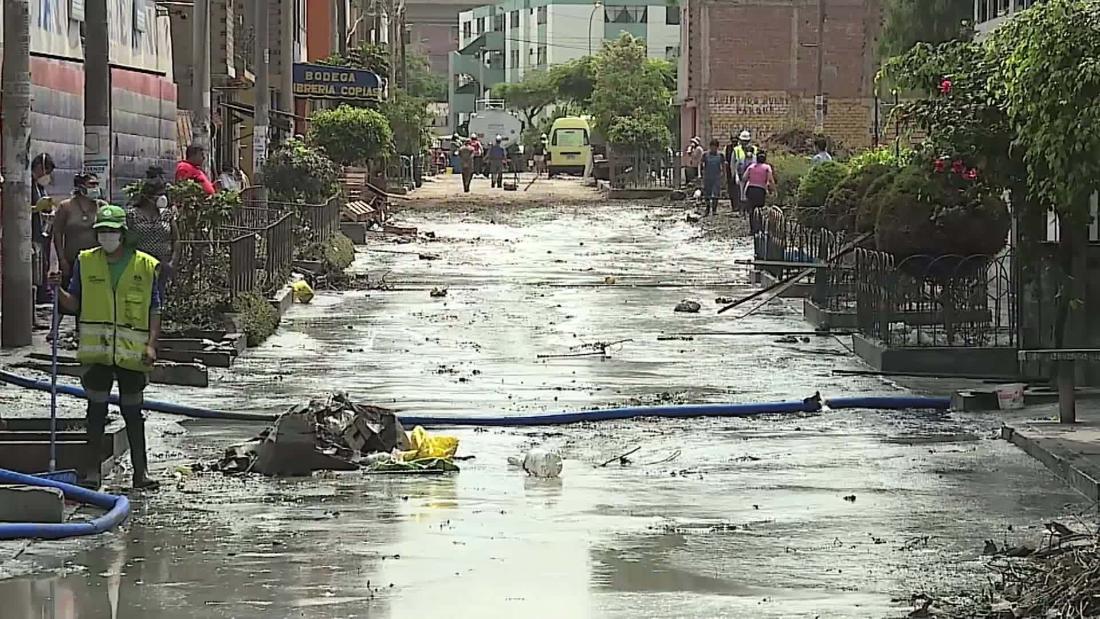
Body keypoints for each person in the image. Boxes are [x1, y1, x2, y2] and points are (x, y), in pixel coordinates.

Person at [50, 204, 162, 490]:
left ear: (122, 234)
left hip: (132, 354)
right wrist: (57, 290)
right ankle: (92, 473)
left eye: (111, 232)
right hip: (98, 352)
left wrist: (151, 345)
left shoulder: (146, 265)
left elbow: (154, 309)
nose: (106, 237)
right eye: (102, 232)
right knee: (96, 413)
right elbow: (74, 303)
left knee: (133, 412)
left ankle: (141, 472)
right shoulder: (86, 262)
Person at [126, 168, 178, 300]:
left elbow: (176, 239)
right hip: (139, 266)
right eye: (159, 195)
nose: (162, 198)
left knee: (158, 298)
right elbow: (127, 240)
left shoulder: (166, 214)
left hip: (162, 265)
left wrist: (172, 262)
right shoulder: (133, 214)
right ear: (148, 197)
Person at [53, 173, 104, 290]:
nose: (95, 188)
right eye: (91, 184)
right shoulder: (66, 206)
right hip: (72, 260)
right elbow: (57, 233)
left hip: (96, 260)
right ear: (81, 187)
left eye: (97, 184)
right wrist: (62, 259)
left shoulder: (101, 206)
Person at [31, 153, 57, 306]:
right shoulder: (27, 185)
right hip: (31, 232)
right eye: (46, 172)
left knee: (43, 263)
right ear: (40, 168)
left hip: (42, 231)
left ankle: (43, 291)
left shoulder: (40, 187)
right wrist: (36, 208)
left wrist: (49, 210)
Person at [741, 151, 776, 233]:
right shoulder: (767, 167)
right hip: (760, 190)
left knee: (752, 209)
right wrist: (774, 190)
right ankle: (759, 227)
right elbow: (771, 180)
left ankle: (752, 228)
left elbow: (744, 177)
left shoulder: (751, 167)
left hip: (750, 189)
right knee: (760, 209)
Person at [726, 130, 758, 212]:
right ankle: (741, 209)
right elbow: (732, 163)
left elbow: (757, 162)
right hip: (740, 173)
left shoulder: (754, 149)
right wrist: (734, 174)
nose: (744, 143)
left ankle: (748, 208)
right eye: (743, 141)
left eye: (746, 141)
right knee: (740, 193)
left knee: (749, 192)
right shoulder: (736, 150)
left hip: (752, 174)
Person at [701, 138, 726, 217]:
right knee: (707, 194)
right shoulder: (705, 155)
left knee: (716, 194)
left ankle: (714, 210)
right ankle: (707, 208)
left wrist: (723, 176)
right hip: (707, 176)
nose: (713, 149)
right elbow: (701, 165)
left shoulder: (720, 155)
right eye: (712, 147)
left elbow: (723, 166)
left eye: (715, 147)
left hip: (716, 177)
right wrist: (701, 175)